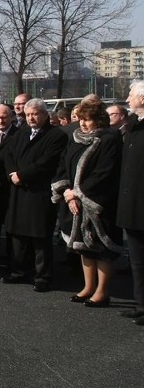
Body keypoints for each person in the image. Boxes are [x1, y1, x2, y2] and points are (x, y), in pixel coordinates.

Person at [51, 98, 124, 308]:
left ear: (98, 120)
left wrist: (79, 194)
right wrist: (66, 192)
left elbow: (105, 172)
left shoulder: (110, 139)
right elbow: (63, 165)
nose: (83, 124)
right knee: (84, 248)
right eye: (81, 119)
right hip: (74, 203)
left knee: (102, 249)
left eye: (88, 120)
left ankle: (102, 291)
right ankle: (88, 286)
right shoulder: (75, 138)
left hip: (98, 204)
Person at [3, 98, 68, 292]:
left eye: (35, 114)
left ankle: (42, 276)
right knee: (18, 235)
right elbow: (9, 154)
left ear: (45, 115)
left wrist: (22, 175)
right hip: (18, 190)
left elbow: (47, 162)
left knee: (40, 237)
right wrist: (12, 174)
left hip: (38, 191)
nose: (31, 117)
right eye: (28, 114)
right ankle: (18, 271)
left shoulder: (56, 135)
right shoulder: (22, 132)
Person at [117, 81, 144, 324]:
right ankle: (140, 304)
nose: (127, 99)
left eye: (130, 95)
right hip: (131, 204)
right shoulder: (133, 127)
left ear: (142, 99)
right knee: (137, 260)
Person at [0, 104, 19, 257]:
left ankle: (11, 258)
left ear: (11, 117)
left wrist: (2, 179)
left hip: (9, 187)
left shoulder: (19, 135)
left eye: (3, 117)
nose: (0, 121)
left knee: (10, 226)